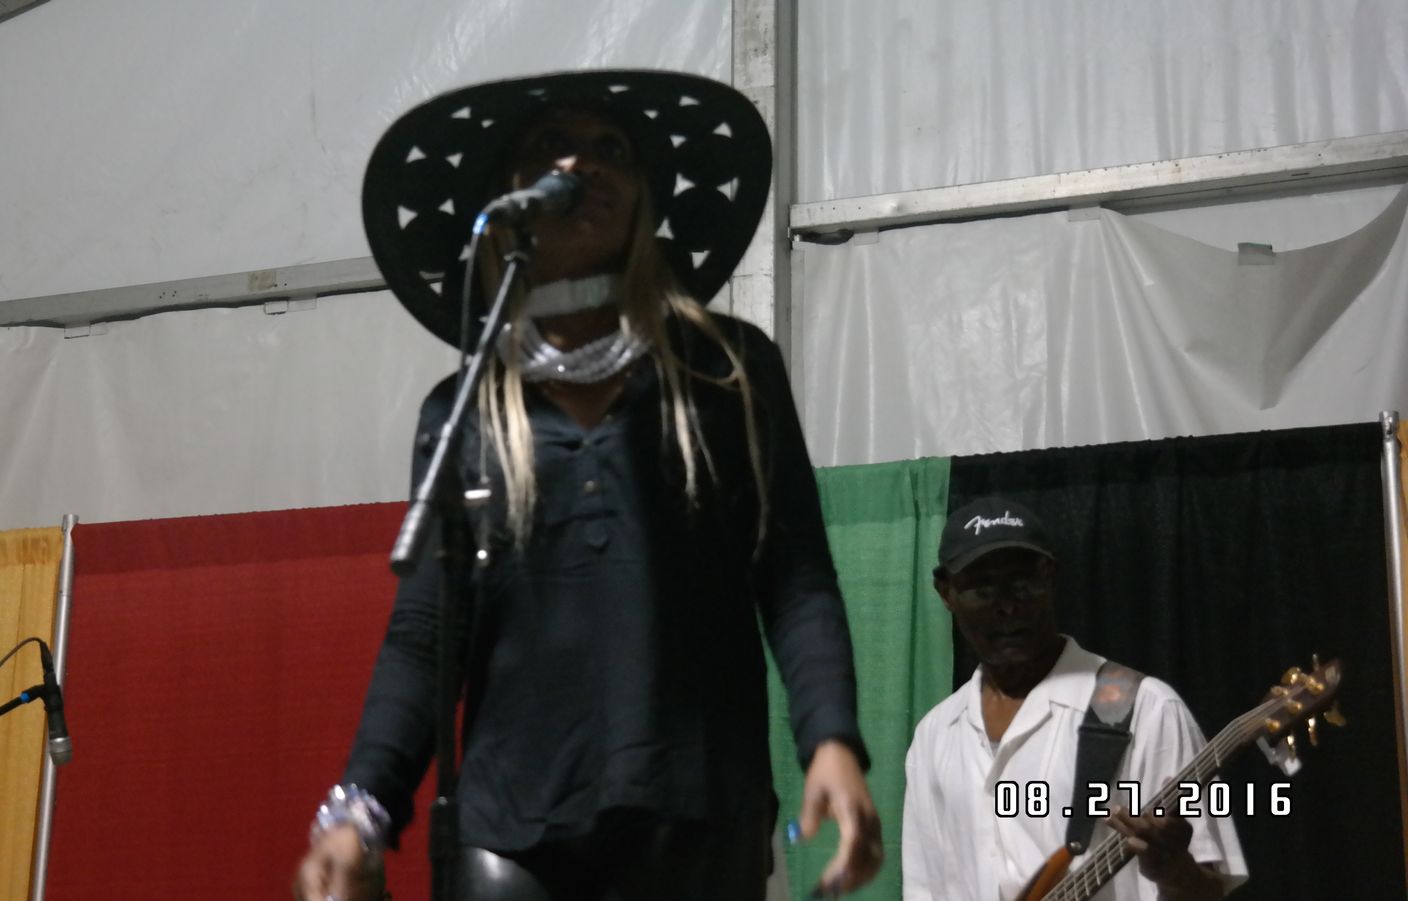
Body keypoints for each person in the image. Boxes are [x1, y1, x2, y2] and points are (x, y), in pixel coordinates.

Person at [293, 70, 881, 900]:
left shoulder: (729, 372)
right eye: (551, 147)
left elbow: (796, 579)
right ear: (507, 196)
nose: (584, 164)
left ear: (643, 199)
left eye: (613, 149)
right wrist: (359, 808)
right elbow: (426, 634)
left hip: (699, 811)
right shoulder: (462, 411)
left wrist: (831, 739)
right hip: (511, 830)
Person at [902, 497, 1248, 901]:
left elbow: (1208, 891)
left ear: (1050, 578)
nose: (1007, 606)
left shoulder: (1146, 709)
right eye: (983, 588)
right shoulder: (935, 735)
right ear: (946, 592)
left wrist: (1175, 872)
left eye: (1022, 583)